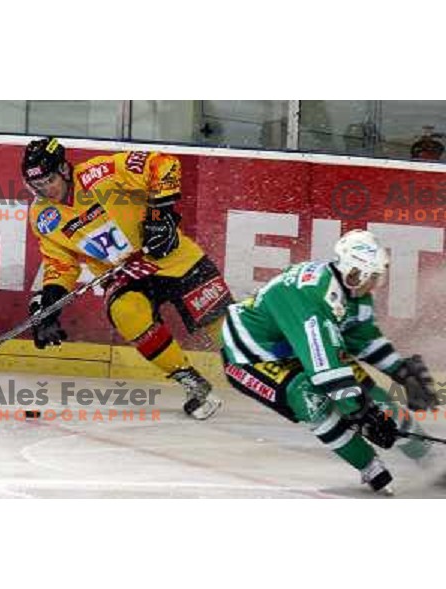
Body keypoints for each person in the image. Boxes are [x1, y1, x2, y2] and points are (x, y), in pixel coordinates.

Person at [22, 137, 234, 420]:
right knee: (126, 312)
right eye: (36, 185)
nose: (45, 190)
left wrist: (160, 216)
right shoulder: (42, 216)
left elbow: (163, 164)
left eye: (48, 180)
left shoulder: (99, 173)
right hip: (124, 274)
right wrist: (49, 305)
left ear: (63, 169)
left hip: (174, 259)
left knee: (231, 338)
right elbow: (60, 264)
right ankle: (191, 382)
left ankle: (279, 369)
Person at [220, 229, 439, 493]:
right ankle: (368, 465)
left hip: (296, 344)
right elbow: (325, 370)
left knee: (375, 397)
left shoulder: (354, 292)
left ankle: (429, 459)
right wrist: (360, 413)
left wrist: (400, 371)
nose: (376, 285)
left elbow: (364, 339)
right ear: (355, 272)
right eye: (373, 278)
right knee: (310, 399)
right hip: (250, 355)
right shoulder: (311, 297)